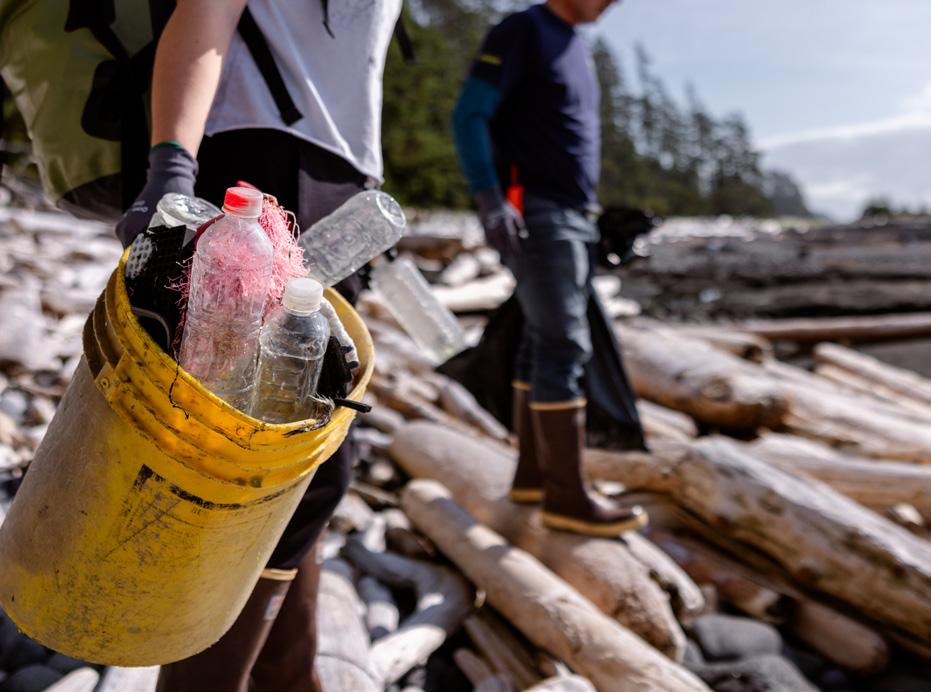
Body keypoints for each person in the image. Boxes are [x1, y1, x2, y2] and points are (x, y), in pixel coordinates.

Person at [114, 1, 402, 689]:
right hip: (255, 159)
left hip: (339, 183)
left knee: (300, 462)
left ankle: (288, 676)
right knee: (261, 460)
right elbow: (206, 11)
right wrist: (170, 169)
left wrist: (364, 185)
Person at [452, 0, 648, 537]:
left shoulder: (576, 48)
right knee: (564, 345)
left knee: (540, 343)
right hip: (536, 213)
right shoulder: (525, 30)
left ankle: (534, 476)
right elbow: (470, 114)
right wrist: (489, 198)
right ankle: (567, 495)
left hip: (575, 216)